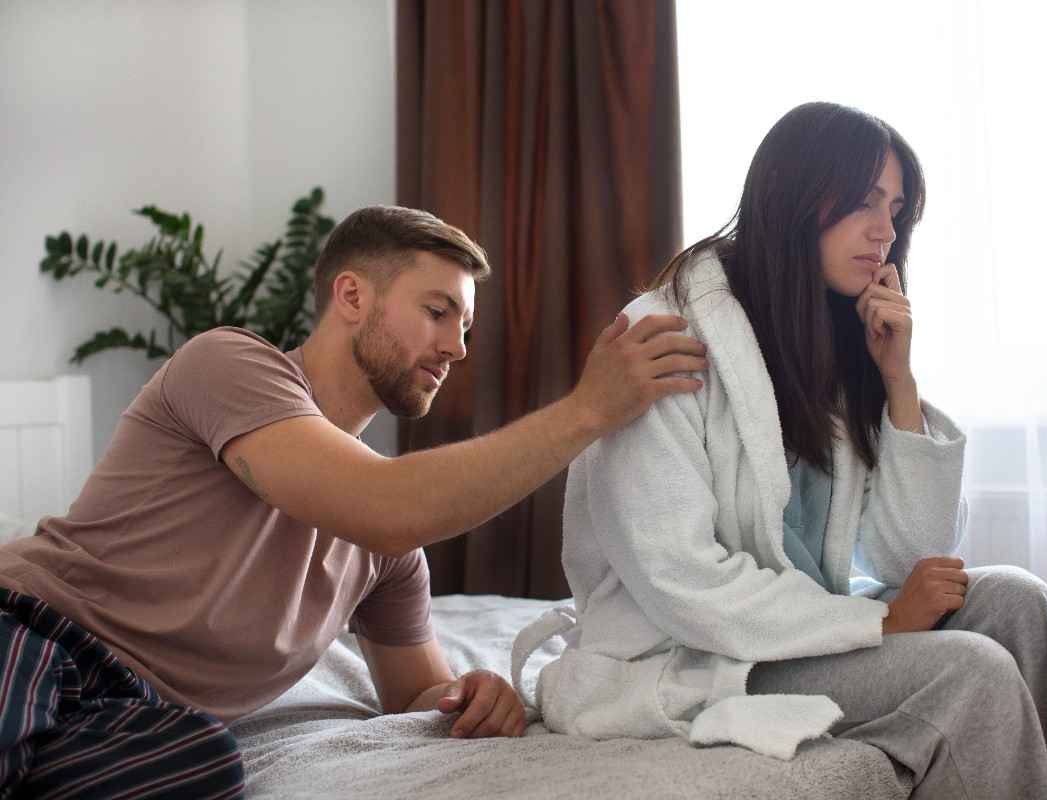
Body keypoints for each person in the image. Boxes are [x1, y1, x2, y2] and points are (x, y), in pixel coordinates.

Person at [0, 206, 708, 799]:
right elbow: (384, 503)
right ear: (352, 297)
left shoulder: (388, 554)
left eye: (466, 328)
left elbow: (410, 696)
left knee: (205, 766)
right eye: (438, 312)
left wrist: (473, 693)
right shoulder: (226, 365)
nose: (457, 348)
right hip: (33, 634)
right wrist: (586, 411)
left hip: (134, 718)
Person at [512, 102, 1047, 799]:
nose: (885, 231)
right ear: (795, 194)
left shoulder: (826, 337)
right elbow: (680, 578)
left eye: (896, 209)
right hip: (700, 652)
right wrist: (878, 620)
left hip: (793, 630)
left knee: (1019, 601)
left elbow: (906, 560)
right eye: (863, 201)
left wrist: (899, 383)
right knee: (969, 669)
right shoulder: (665, 335)